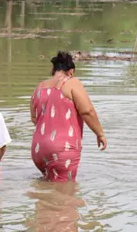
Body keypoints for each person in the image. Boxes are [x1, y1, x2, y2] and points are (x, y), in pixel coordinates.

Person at [31, 51, 107, 182]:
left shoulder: (39, 87)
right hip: (62, 149)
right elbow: (87, 111)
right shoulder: (72, 83)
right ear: (71, 71)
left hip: (38, 149)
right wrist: (99, 133)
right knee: (65, 196)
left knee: (46, 192)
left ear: (52, 69)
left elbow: (34, 118)